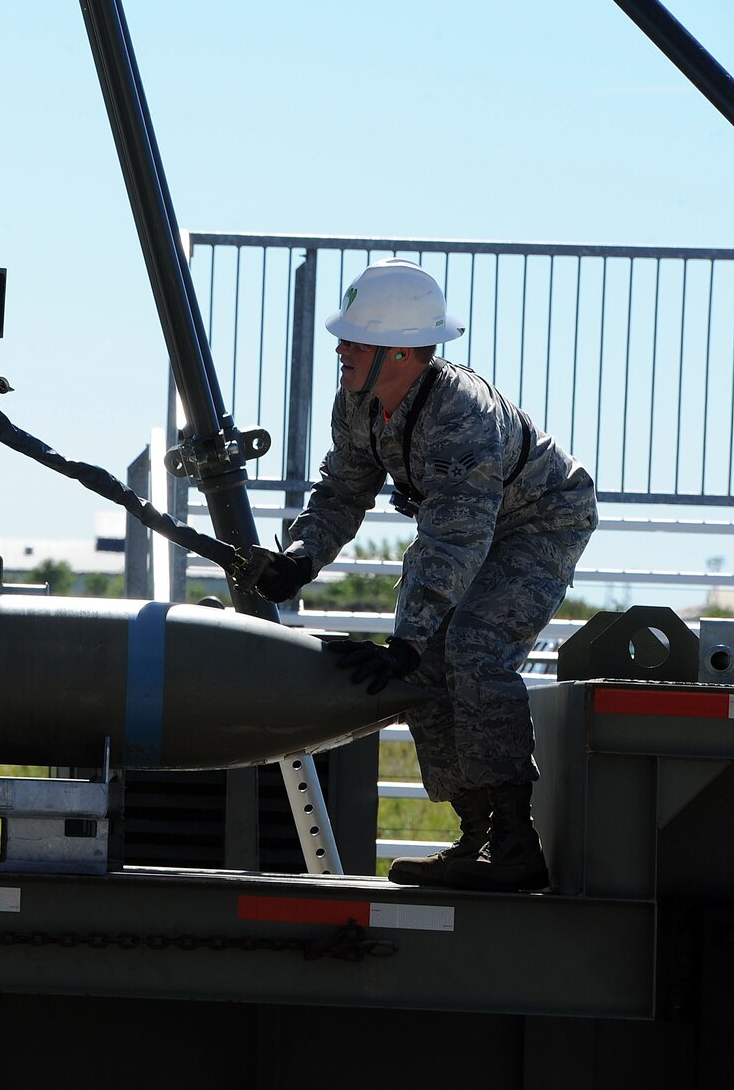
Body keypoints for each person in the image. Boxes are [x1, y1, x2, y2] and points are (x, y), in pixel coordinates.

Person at [239, 258, 596, 892]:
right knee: (429, 662)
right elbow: (343, 490)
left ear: (401, 353)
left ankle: (516, 842)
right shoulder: (358, 403)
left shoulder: (460, 417)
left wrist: (406, 639)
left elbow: (456, 535)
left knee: (474, 650)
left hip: (541, 523)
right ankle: (477, 833)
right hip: (476, 528)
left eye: (356, 339)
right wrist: (300, 559)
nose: (342, 348)